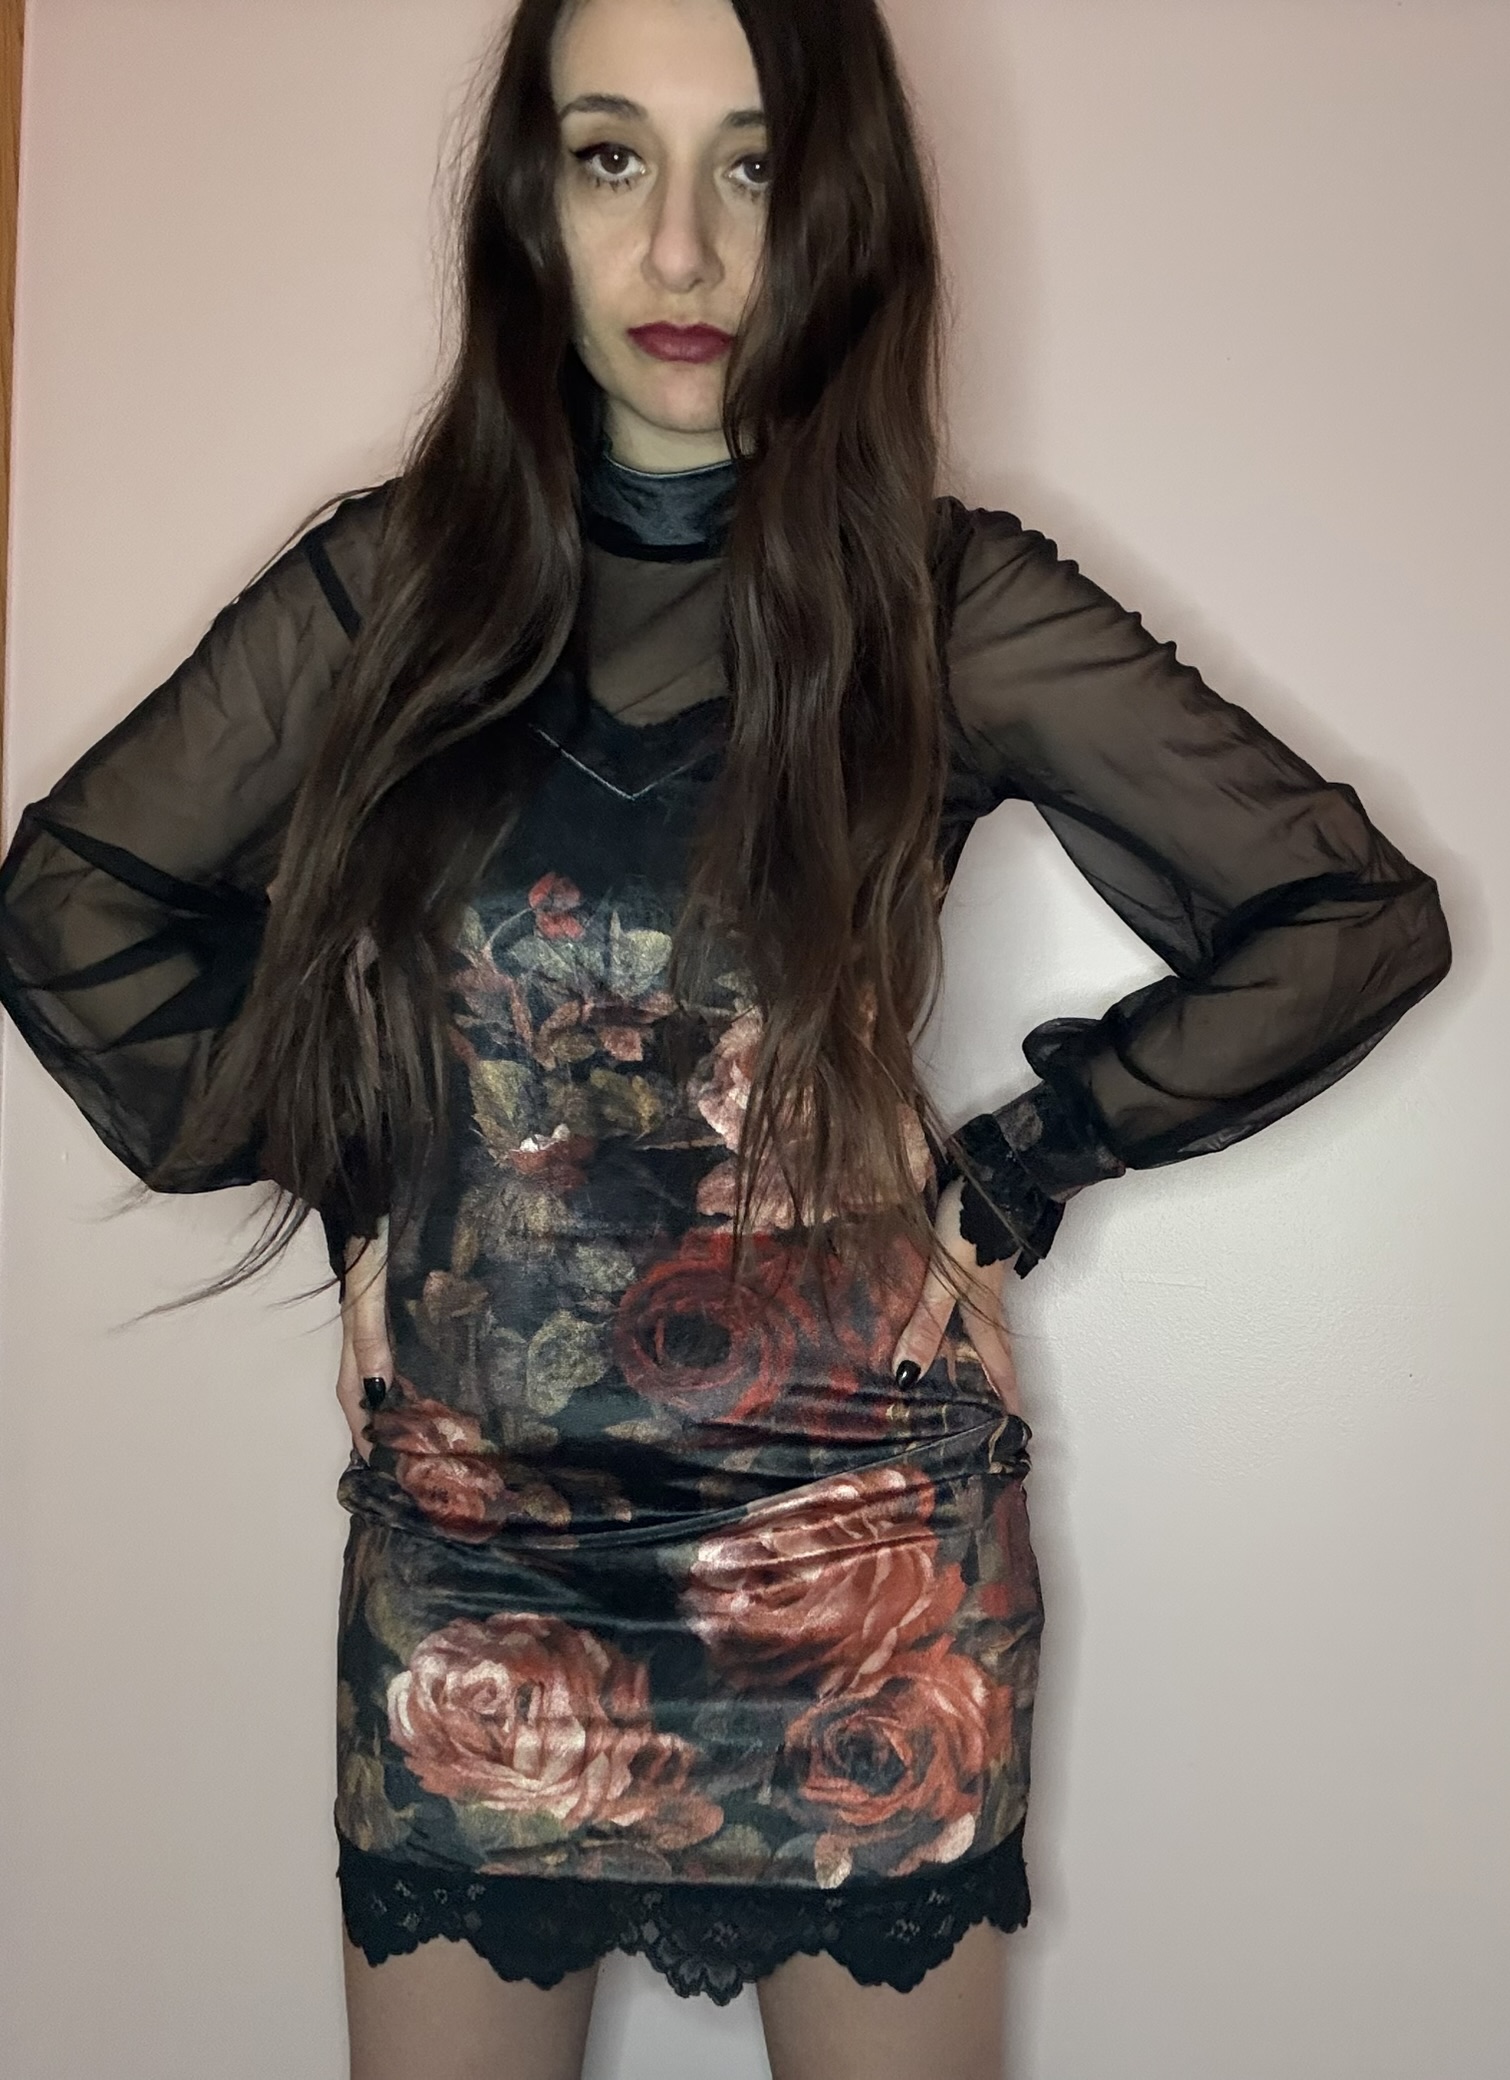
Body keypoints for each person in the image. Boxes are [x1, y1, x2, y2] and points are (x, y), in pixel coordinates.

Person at [0, 0, 1451, 2075]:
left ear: (838, 202)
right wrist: (363, 1185)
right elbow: (73, 907)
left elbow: (1345, 917)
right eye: (612, 157)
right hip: (472, 1552)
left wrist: (1018, 1170)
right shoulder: (384, 590)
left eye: (751, 165)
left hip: (855, 1549)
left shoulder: (939, 602)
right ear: (532, 201)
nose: (679, 247)